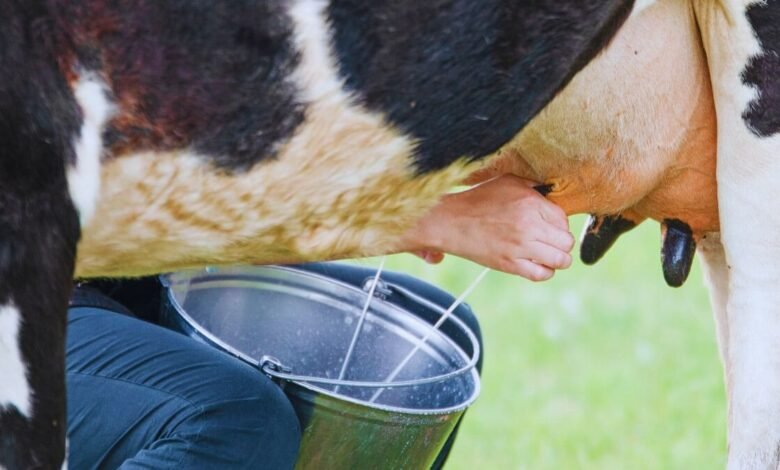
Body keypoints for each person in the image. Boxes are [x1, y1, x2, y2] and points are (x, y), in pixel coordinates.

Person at [66, 175, 574, 469]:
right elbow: (126, 209)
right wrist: (430, 217)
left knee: (437, 339)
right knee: (239, 419)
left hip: (129, 272)